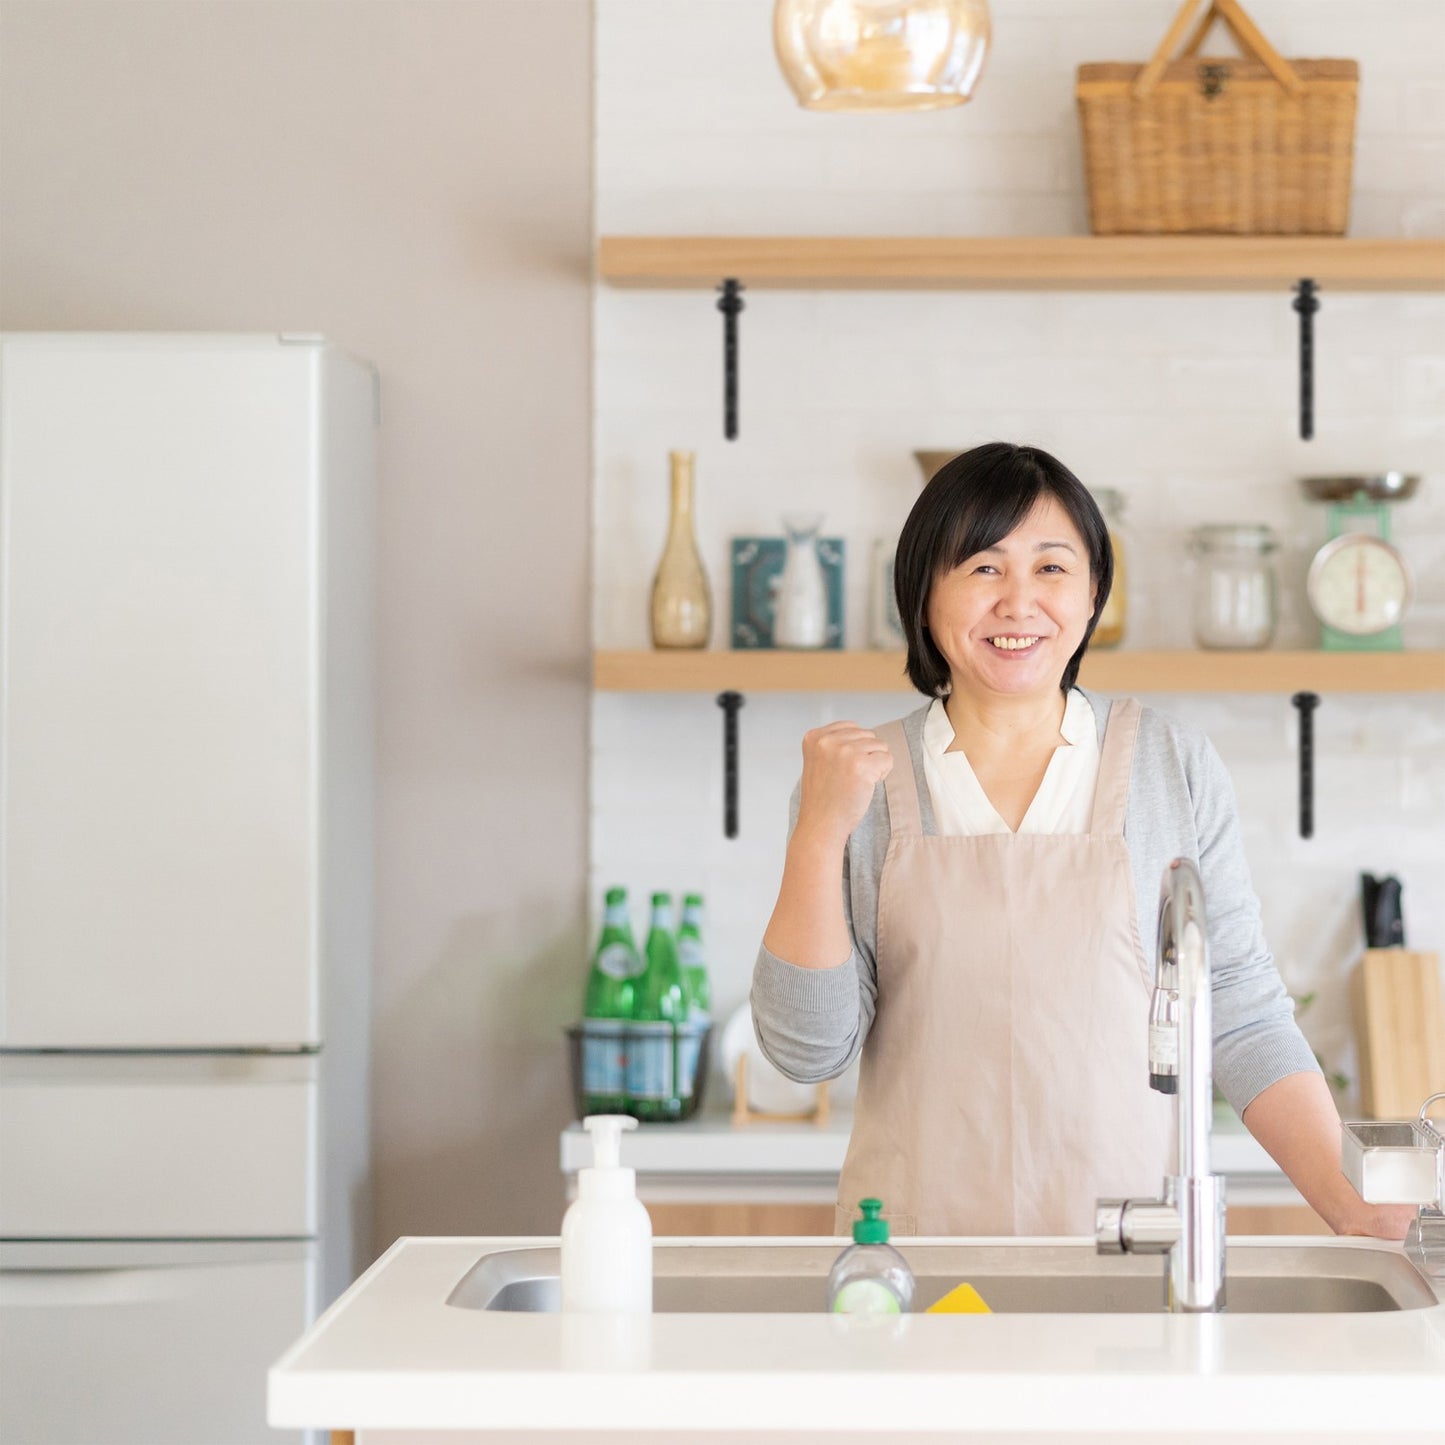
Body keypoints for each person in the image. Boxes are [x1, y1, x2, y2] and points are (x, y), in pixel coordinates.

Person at [752, 442, 1413, 1240]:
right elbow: (806, 1051)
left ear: (1093, 590)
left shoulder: (1170, 765)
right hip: (912, 1267)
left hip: (1130, 1256)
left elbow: (1236, 1014)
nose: (1018, 603)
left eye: (1051, 569)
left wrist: (1357, 1209)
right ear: (923, 595)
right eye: (982, 568)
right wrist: (817, 837)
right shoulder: (854, 782)